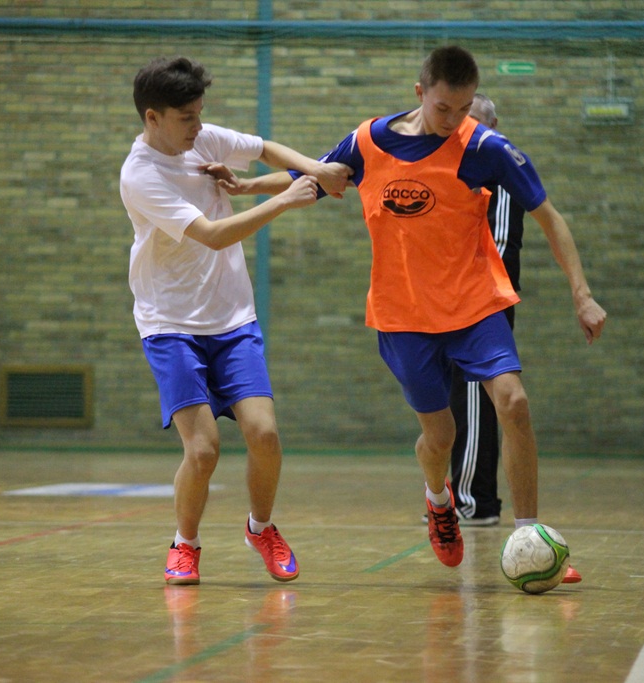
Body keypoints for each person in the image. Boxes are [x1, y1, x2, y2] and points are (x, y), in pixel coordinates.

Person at [212, 46, 605, 582]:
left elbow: (550, 218)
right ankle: (437, 499)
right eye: (445, 108)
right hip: (403, 316)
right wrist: (249, 185)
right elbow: (320, 176)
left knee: (513, 403)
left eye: (464, 108)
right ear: (420, 94)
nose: (454, 120)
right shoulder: (370, 141)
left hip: (474, 304)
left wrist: (582, 295)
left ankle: (529, 536)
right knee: (440, 437)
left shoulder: (484, 147)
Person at [119, 55, 351, 585]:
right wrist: (287, 198)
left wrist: (314, 169)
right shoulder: (141, 175)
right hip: (171, 324)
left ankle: (260, 527)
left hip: (232, 319)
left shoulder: (199, 139)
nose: (199, 128)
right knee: (202, 450)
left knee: (264, 435)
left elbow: (264, 148)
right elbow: (215, 234)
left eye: (201, 115)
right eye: (187, 118)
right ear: (152, 118)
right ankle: (185, 543)